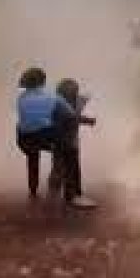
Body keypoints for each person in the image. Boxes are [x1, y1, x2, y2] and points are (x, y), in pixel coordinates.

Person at [16, 67, 95, 208]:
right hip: (45, 137)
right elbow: (71, 116)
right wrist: (88, 121)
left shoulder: (21, 98)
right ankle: (74, 195)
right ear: (43, 82)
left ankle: (33, 188)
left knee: (34, 153)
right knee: (71, 153)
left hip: (24, 139)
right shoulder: (53, 98)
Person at [53, 78, 98, 209]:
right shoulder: (59, 105)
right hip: (63, 141)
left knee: (65, 165)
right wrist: (89, 120)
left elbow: (83, 100)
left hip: (66, 141)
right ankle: (73, 195)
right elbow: (73, 118)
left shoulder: (76, 101)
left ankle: (66, 190)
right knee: (69, 167)